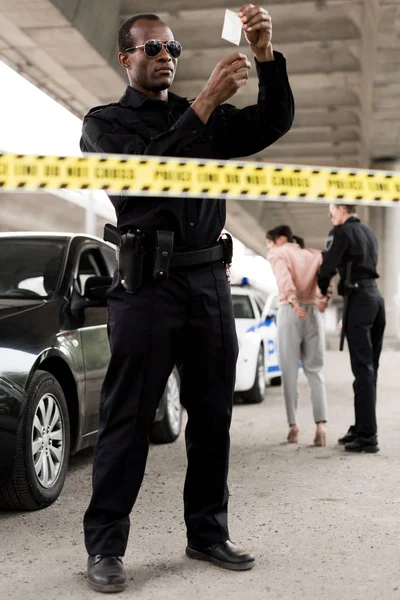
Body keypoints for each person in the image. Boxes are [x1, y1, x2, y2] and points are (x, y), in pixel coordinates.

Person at [80, 6, 294, 593]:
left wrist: (266, 55)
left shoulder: (205, 118)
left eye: (172, 49)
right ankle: (105, 548)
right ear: (126, 58)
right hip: (146, 290)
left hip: (207, 286)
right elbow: (137, 181)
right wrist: (201, 105)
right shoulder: (105, 123)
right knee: (127, 422)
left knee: (213, 419)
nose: (166, 57)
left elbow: (274, 120)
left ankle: (206, 533)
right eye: (153, 49)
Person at [318, 204, 386, 454]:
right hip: (376, 300)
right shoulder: (369, 232)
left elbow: (327, 266)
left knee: (363, 370)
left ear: (340, 209)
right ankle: (362, 426)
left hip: (359, 301)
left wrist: (323, 287)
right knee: (370, 369)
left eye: (331, 210)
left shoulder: (341, 232)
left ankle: (368, 437)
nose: (331, 215)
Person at [266, 225, 328, 446]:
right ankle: (321, 426)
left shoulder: (278, 253)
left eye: (269, 242)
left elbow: (284, 280)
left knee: (289, 372)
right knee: (315, 371)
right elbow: (325, 280)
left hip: (290, 311)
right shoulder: (314, 255)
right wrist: (325, 297)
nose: (269, 247)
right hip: (313, 312)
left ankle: (293, 425)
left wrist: (292, 301)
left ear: (281, 239)